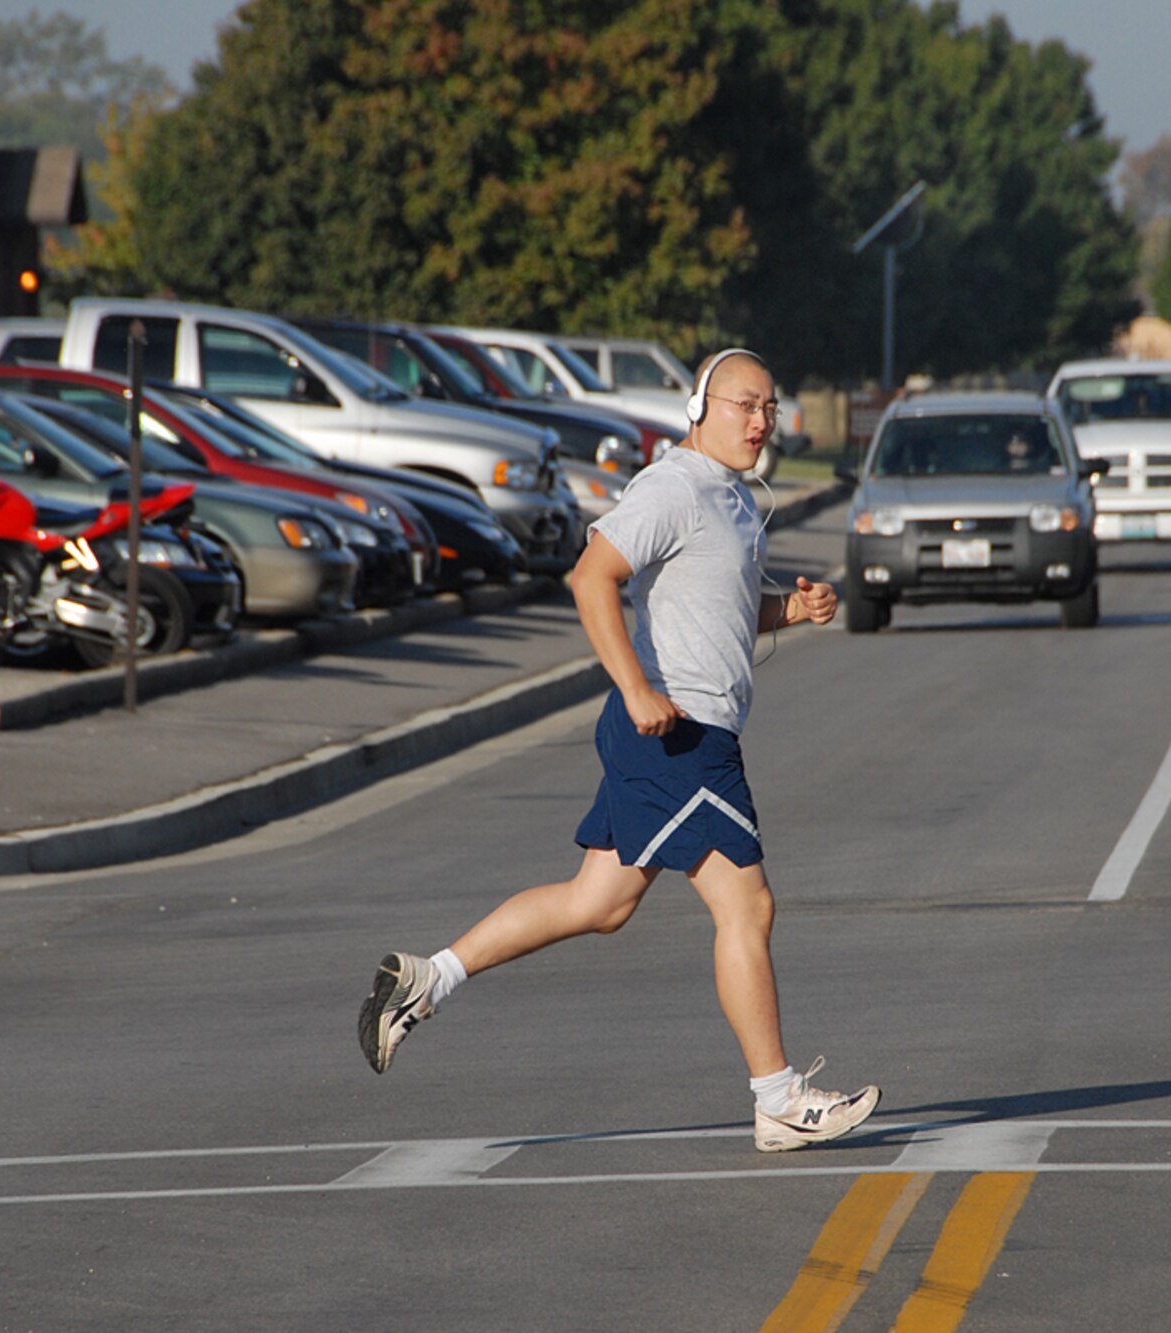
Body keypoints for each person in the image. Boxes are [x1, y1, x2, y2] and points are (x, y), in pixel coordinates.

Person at [355, 348, 881, 1153]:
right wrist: (636, 688)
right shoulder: (672, 486)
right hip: (679, 733)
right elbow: (590, 577)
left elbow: (727, 611)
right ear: (701, 404)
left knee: (598, 902)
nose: (761, 421)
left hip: (679, 729)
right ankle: (778, 1098)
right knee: (749, 905)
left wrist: (792, 610)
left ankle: (430, 979)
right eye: (745, 404)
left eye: (770, 408)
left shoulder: (735, 499)